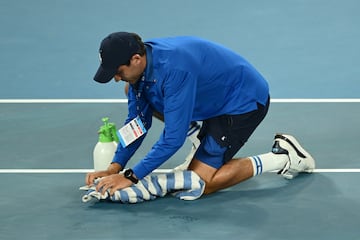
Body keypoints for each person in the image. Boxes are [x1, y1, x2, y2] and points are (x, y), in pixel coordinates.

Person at [85, 32, 315, 199]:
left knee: (200, 182)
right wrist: (115, 167)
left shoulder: (174, 72)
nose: (115, 78)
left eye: (118, 72)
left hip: (241, 103)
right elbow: (137, 122)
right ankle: (201, 137)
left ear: (136, 59)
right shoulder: (142, 69)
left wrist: (131, 177)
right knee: (133, 91)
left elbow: (172, 140)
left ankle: (284, 156)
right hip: (210, 98)